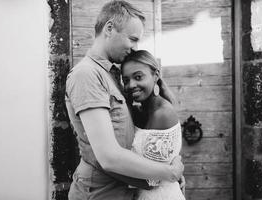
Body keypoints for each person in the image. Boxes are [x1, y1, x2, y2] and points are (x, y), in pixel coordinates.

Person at [65, 1, 184, 200]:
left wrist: (169, 166)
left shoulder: (112, 74)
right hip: (101, 194)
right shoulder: (87, 75)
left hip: (125, 191)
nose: (134, 48)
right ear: (109, 28)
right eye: (132, 39)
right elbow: (109, 157)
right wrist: (168, 174)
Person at [121, 50, 186, 200]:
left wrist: (104, 166)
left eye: (138, 77)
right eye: (126, 80)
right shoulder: (141, 111)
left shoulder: (162, 114)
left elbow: (151, 180)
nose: (131, 85)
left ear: (155, 75)